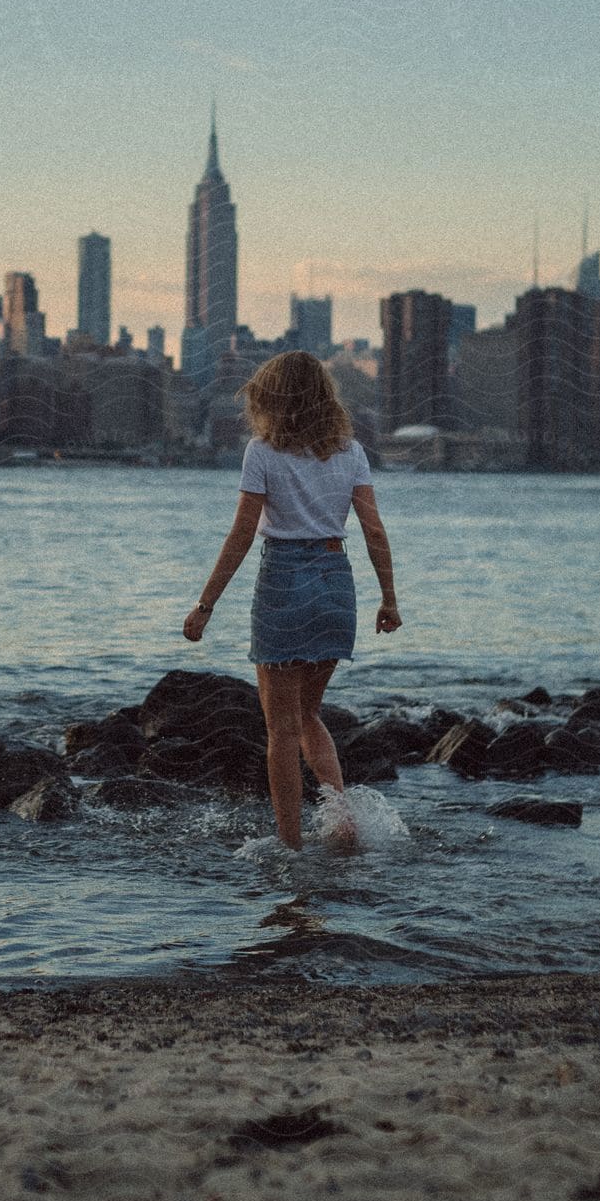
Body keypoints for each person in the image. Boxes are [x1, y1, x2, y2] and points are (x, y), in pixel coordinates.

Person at [182, 350, 402, 849]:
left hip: (283, 579)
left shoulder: (261, 452)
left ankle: (291, 847)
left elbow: (242, 533)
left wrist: (206, 604)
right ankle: (341, 821)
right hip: (335, 582)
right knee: (308, 716)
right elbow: (372, 529)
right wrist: (388, 599)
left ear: (271, 398)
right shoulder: (351, 452)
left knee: (281, 730)